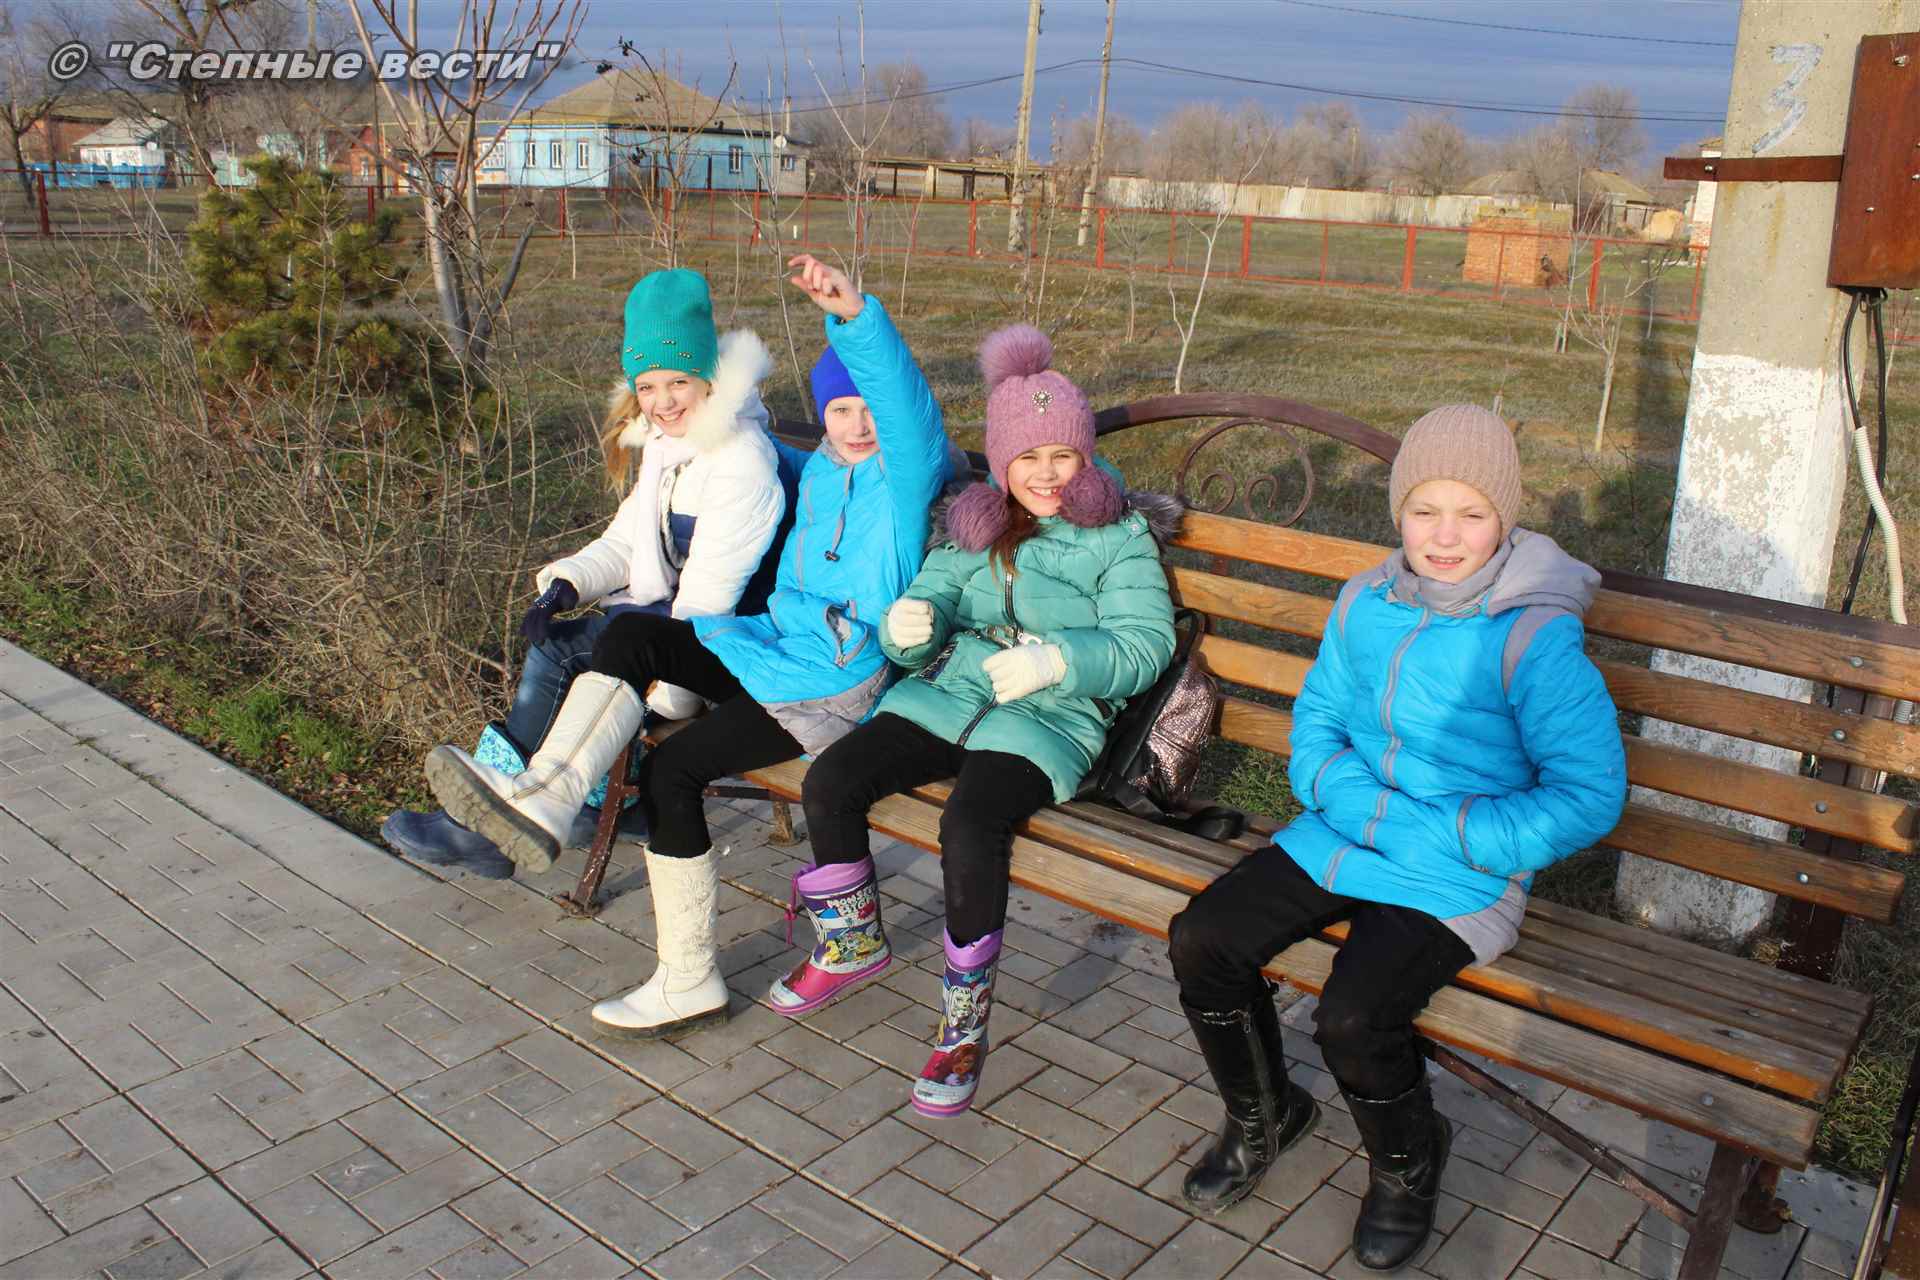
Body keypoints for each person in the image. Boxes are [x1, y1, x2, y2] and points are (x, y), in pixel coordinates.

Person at [423, 254, 959, 1039]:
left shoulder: (905, 479)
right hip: (770, 651)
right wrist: (574, 574)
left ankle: (676, 965)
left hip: (833, 683)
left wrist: (854, 317)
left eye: (867, 406)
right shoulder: (819, 471)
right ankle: (556, 804)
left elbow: (901, 413)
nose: (858, 423)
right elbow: (732, 448)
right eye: (840, 409)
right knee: (635, 641)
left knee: (672, 764)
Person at [1165, 405, 1627, 1269]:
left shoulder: (1533, 634)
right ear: (1398, 512)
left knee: (1352, 1017)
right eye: (1425, 510)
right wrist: (1338, 789)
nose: (1445, 535)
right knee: (1202, 938)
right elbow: (1320, 716)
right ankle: (1266, 1115)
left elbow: (1588, 795)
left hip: (1457, 871)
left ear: (1505, 518)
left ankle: (1407, 1163)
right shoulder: (1366, 602)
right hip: (1345, 831)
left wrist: (1463, 833)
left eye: (1471, 514)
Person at [773, 324, 1178, 1119]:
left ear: (1085, 458)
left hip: (1049, 716)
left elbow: (1145, 643)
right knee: (832, 779)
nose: (1046, 474)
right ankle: (852, 942)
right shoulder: (977, 523)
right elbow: (931, 599)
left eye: (1062, 456)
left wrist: (1059, 661)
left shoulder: (1117, 535)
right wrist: (910, 627)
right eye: (1027, 458)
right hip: (948, 696)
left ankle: (963, 1026)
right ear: (1000, 463)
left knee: (968, 824)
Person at [382, 269, 786, 878]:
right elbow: (627, 541)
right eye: (647, 386)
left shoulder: (740, 462)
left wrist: (664, 691)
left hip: (723, 642)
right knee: (556, 640)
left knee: (565, 653)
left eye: (678, 382)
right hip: (667, 623)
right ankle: (521, 822)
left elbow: (706, 603)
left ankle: (514, 823)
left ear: (708, 377)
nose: (663, 402)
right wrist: (566, 584)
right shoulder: (671, 447)